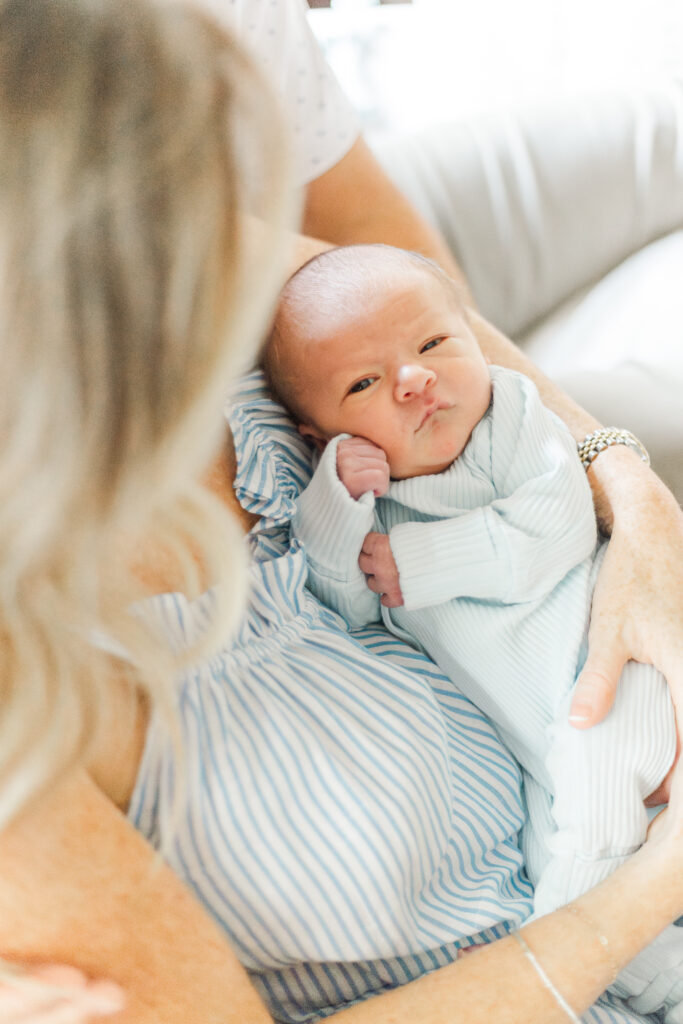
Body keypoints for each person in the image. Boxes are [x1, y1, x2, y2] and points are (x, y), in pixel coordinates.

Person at [1, 4, 683, 1024]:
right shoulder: (35, 708)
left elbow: (395, 288)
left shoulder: (171, 234)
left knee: (651, 162)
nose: (221, 215)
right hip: (603, 938)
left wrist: (631, 498)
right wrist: (647, 890)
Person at [264, 241, 683, 1016]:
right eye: (364, 382)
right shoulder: (368, 498)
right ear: (318, 436)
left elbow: (552, 529)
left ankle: (610, 955)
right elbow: (347, 607)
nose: (414, 378)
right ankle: (655, 970)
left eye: (433, 344)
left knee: (590, 809)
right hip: (536, 737)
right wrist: (333, 511)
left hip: (619, 673)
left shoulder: (509, 419)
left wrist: (416, 560)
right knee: (548, 838)